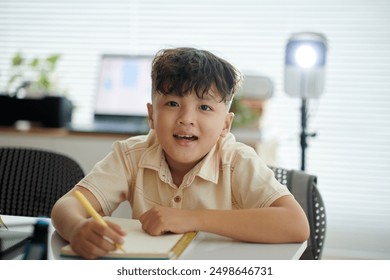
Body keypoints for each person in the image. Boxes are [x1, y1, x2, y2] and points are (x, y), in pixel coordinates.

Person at [51, 47, 309, 259]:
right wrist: (77, 228)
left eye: (205, 107)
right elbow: (67, 205)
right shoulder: (131, 155)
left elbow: (296, 224)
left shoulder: (237, 161)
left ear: (225, 125)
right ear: (152, 115)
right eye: (173, 103)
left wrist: (190, 219)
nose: (186, 119)